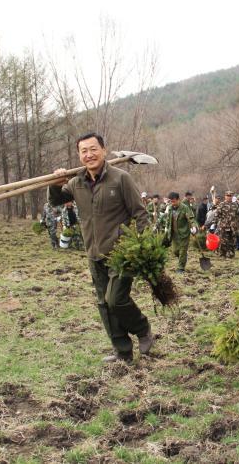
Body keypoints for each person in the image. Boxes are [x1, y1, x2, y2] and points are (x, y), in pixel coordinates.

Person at [49, 132, 154, 363]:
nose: (89, 155)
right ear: (79, 155)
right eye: (84, 151)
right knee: (104, 304)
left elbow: (140, 212)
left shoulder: (120, 178)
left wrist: (142, 246)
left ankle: (143, 329)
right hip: (94, 253)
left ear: (104, 150)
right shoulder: (76, 183)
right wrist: (56, 184)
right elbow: (56, 201)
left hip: (121, 253)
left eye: (93, 149)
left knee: (116, 299)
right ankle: (123, 351)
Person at [161, 192, 198, 273]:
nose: (172, 203)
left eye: (174, 201)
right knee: (175, 251)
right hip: (174, 234)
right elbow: (168, 219)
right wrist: (167, 228)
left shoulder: (184, 208)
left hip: (184, 233)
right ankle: (183, 257)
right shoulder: (170, 208)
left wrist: (194, 227)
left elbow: (191, 218)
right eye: (171, 201)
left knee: (182, 251)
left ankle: (181, 268)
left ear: (178, 200)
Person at [215, 191, 239, 258]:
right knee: (223, 240)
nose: (229, 197)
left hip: (232, 226)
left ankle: (231, 254)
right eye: (228, 196)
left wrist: (237, 223)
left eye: (230, 196)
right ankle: (222, 254)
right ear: (225, 196)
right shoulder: (222, 204)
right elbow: (217, 215)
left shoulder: (235, 205)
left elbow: (238, 215)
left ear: (232, 196)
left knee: (232, 240)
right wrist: (220, 222)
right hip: (224, 226)